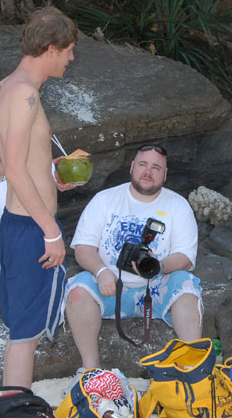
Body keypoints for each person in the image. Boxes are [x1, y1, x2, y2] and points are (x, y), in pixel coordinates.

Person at [0, 6, 78, 388]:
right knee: (25, 337)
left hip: (15, 225)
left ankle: (14, 403)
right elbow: (12, 168)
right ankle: (17, 405)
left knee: (21, 334)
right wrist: (51, 231)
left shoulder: (5, 88)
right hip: (32, 229)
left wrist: (45, 172)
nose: (71, 58)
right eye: (69, 50)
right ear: (50, 48)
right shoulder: (26, 95)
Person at [63, 144, 202, 378]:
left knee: (186, 286)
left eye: (156, 167)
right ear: (132, 167)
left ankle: (192, 367)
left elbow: (186, 257)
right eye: (142, 165)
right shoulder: (105, 199)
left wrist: (160, 267)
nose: (148, 172)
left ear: (165, 174)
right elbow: (83, 248)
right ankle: (91, 369)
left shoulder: (178, 205)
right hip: (109, 285)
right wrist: (100, 271)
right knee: (78, 290)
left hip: (157, 284)